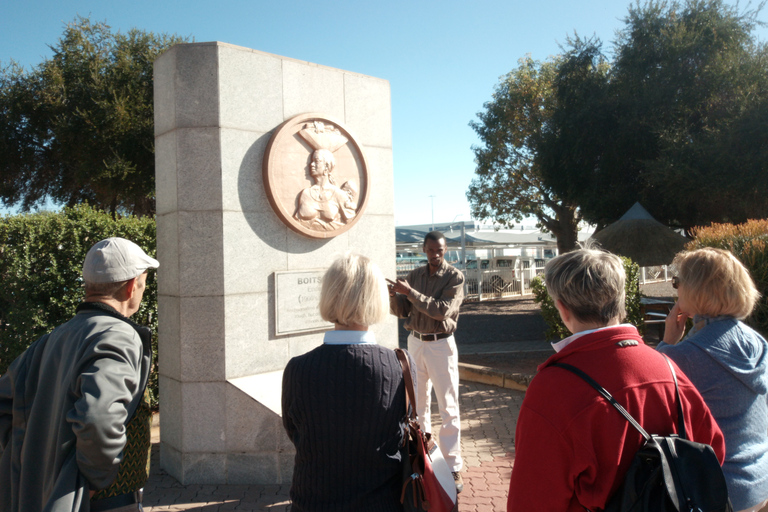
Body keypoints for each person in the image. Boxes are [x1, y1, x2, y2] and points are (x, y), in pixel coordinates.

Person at [507, 246, 725, 512]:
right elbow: (713, 449)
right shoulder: (668, 368)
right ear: (621, 299)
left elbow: (533, 498)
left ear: (563, 309)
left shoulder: (553, 388)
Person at [0, 237, 159, 512]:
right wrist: (94, 478)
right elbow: (98, 417)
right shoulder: (118, 335)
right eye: (144, 282)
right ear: (132, 285)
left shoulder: (51, 339)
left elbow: (5, 404)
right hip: (103, 502)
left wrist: (30, 469)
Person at [282, 253, 407, 512]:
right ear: (377, 298)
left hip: (312, 503)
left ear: (330, 295)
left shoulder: (297, 369)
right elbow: (402, 434)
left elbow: (295, 432)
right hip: (383, 503)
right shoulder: (401, 367)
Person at [658, 248, 768, 512]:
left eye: (677, 282)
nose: (676, 289)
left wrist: (667, 342)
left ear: (694, 290)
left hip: (721, 491)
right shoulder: (757, 343)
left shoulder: (683, 356)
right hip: (761, 479)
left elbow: (653, 386)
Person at [389, 230, 465, 492]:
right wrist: (393, 295)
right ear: (424, 249)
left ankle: (454, 467)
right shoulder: (415, 275)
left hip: (441, 344)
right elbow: (403, 311)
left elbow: (441, 310)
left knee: (448, 405)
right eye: (431, 250)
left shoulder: (455, 277)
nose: (436, 254)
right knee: (418, 405)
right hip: (415, 342)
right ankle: (423, 458)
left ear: (445, 249)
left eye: (440, 250)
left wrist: (410, 292)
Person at [294, 148, 357, 231]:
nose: (311, 164)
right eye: (311, 161)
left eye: (316, 161)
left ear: (327, 166)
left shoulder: (339, 194)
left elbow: (351, 221)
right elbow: (297, 221)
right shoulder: (305, 193)